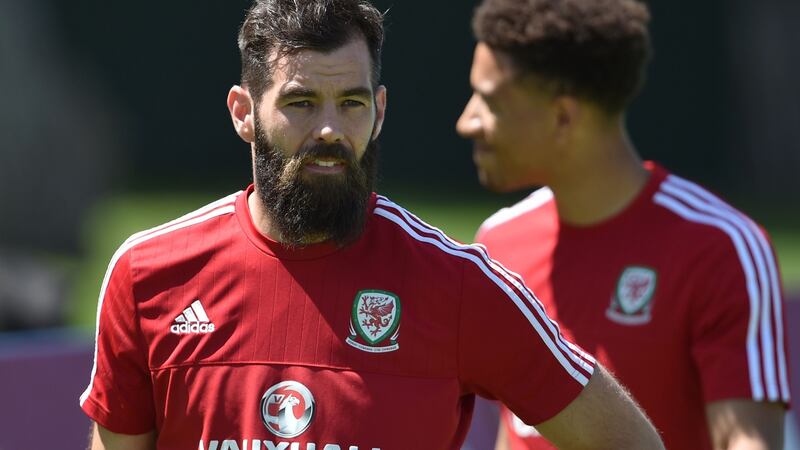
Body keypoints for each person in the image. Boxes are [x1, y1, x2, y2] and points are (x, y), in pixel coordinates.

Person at [78, 1, 664, 449]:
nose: (330, 130)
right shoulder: (149, 273)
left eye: (352, 104)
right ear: (244, 113)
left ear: (379, 112)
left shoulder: (457, 282)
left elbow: (626, 441)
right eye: (302, 103)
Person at [455, 0, 791, 449]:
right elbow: (514, 435)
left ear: (563, 117)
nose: (467, 121)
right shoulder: (498, 243)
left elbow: (748, 441)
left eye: (490, 100)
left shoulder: (723, 247)